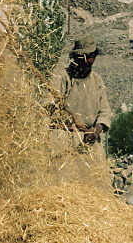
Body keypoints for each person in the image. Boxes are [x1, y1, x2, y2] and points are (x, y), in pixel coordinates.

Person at [48, 36, 113, 185]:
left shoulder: (97, 80)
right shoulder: (61, 77)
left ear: (94, 57)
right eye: (81, 57)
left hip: (90, 143)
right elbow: (48, 102)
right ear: (74, 58)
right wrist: (51, 105)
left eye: (89, 57)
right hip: (63, 140)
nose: (85, 61)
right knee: (62, 185)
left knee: (96, 187)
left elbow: (105, 112)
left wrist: (96, 129)